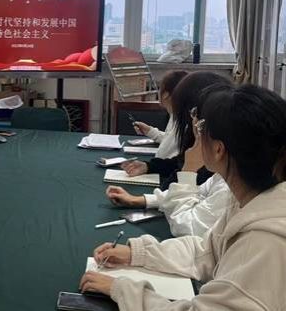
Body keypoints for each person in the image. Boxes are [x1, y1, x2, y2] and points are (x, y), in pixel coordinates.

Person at [79, 84, 286, 310]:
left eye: (201, 128)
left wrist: (123, 290)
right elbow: (206, 252)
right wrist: (138, 254)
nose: (196, 135)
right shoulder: (248, 199)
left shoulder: (263, 242)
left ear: (219, 149)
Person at [106, 86, 231, 237]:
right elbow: (199, 193)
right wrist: (139, 200)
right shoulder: (221, 176)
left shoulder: (228, 189)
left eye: (199, 132)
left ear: (218, 148)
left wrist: (189, 170)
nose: (196, 142)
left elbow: (184, 227)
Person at [121, 71, 232, 190]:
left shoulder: (216, 168)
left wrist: (189, 168)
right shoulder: (202, 138)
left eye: (193, 114)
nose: (193, 121)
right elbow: (179, 163)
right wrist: (149, 166)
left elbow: (172, 193)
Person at [132, 70, 188, 159]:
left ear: (165, 94)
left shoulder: (181, 120)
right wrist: (150, 131)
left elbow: (163, 154)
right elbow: (170, 141)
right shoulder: (176, 114)